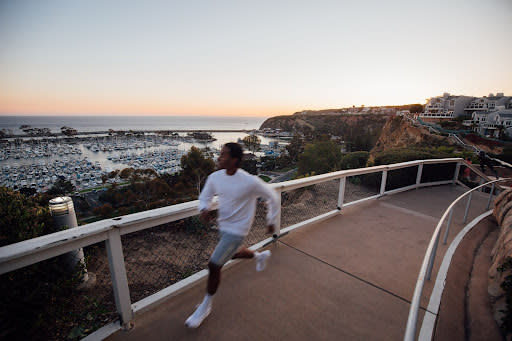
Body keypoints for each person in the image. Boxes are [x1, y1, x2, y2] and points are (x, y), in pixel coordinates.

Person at [185, 142, 280, 328]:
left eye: (223, 155)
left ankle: (205, 306)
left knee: (214, 265)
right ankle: (260, 255)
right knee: (232, 254)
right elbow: (205, 196)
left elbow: (273, 196)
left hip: (238, 230)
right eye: (220, 154)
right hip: (224, 226)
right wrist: (204, 208)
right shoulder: (215, 177)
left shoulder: (249, 181)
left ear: (234, 160)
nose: (219, 157)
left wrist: (271, 220)